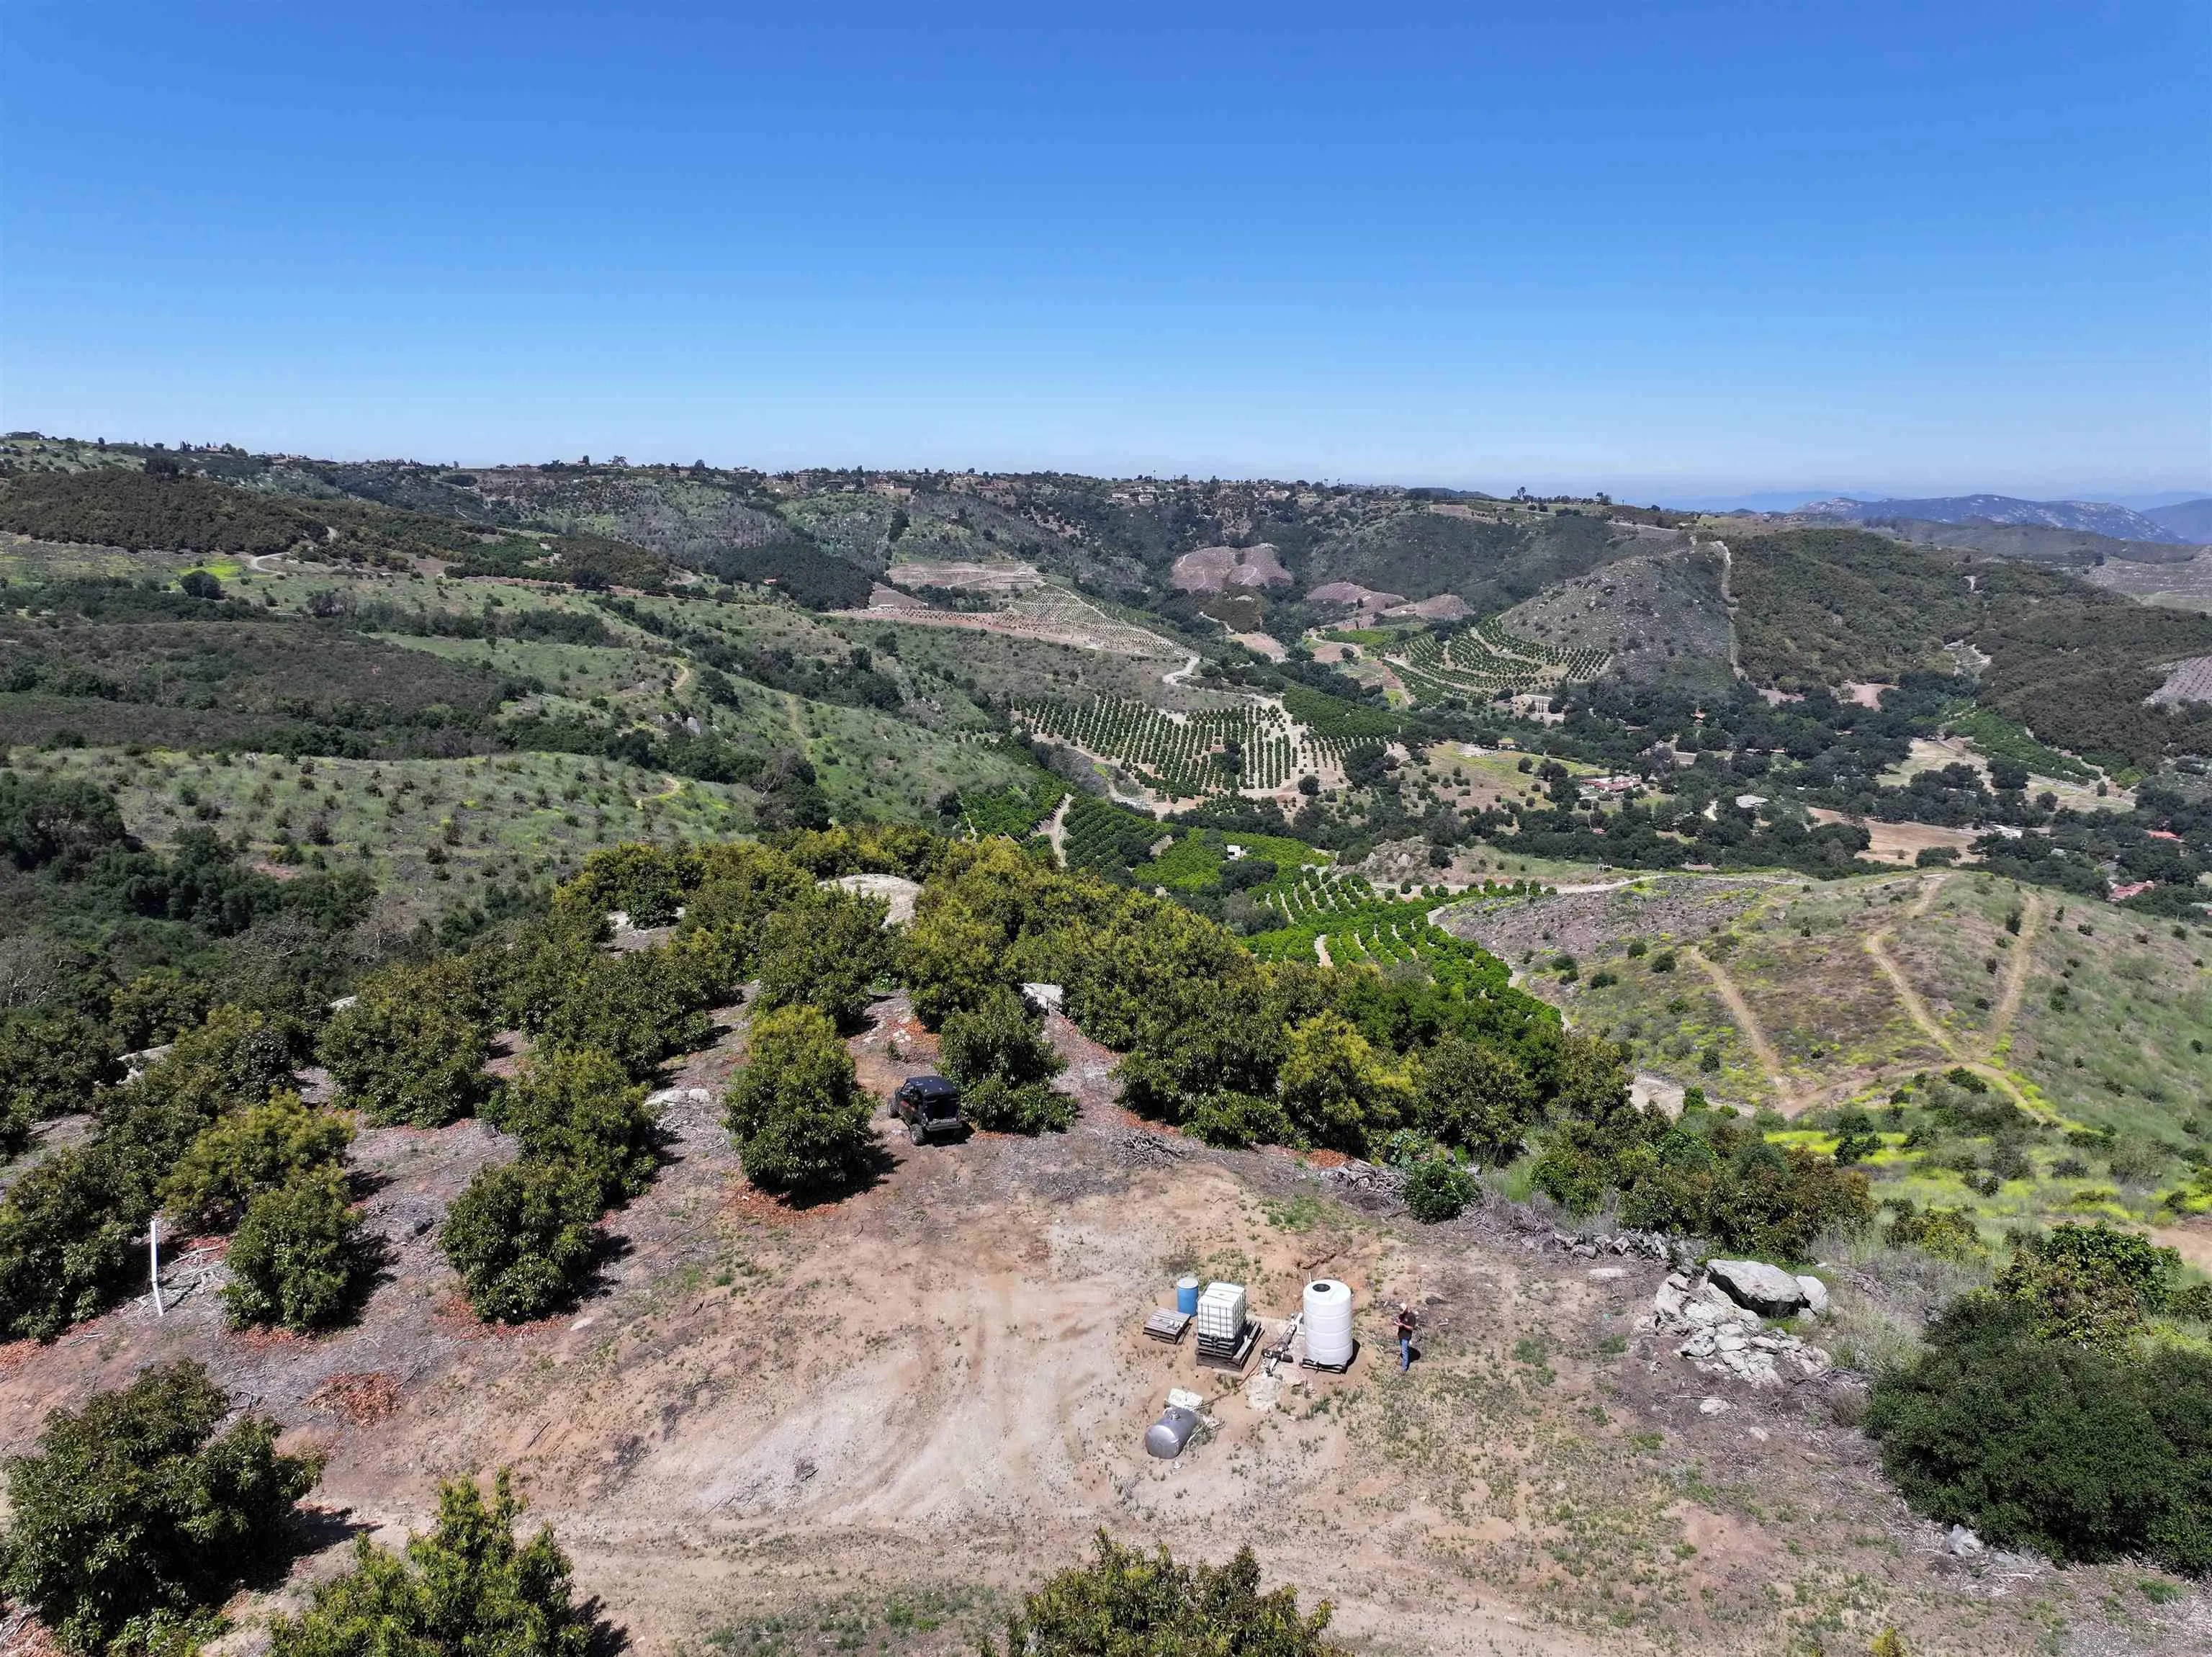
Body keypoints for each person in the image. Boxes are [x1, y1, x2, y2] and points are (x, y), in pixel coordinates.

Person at [1396, 1304, 1418, 1373]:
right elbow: (1401, 1319)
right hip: (1401, 1335)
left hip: (1406, 1336)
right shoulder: (1403, 1314)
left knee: (1404, 1352)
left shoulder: (1411, 1316)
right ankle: (1406, 1359)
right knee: (1404, 1349)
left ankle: (1404, 1368)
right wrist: (1399, 1321)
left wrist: (1404, 1325)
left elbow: (1411, 1328)